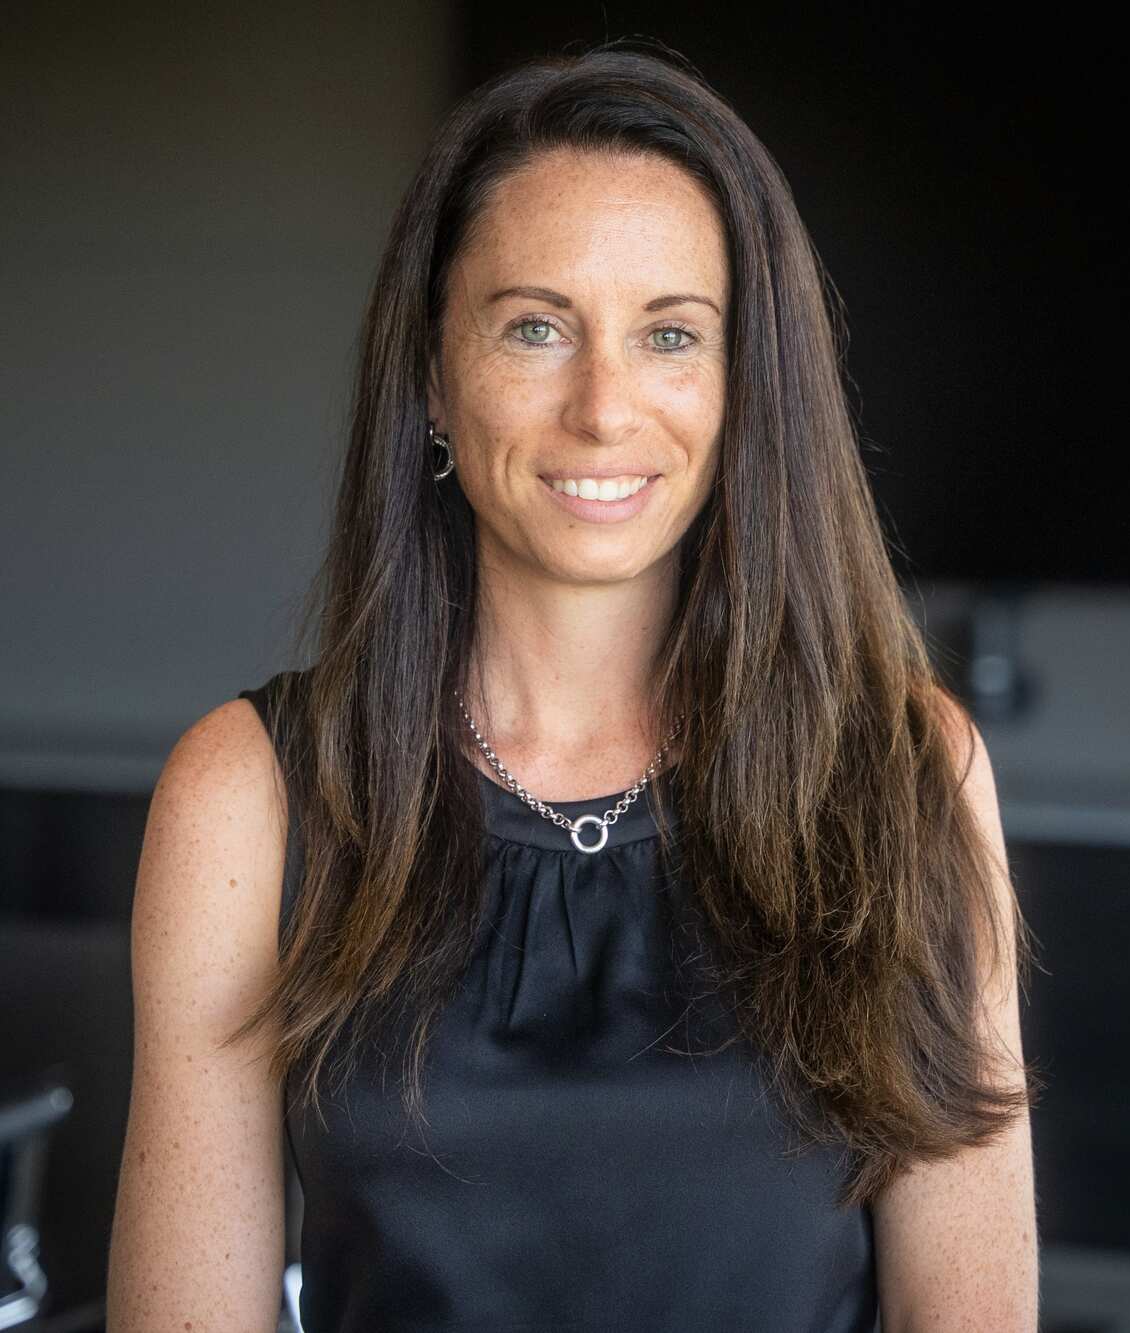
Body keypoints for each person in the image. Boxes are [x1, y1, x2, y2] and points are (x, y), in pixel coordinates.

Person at [107, 38, 1041, 1333]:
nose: (605, 407)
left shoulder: (905, 775)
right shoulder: (249, 793)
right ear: (435, 374)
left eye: (671, 335)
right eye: (536, 326)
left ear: (740, 386)